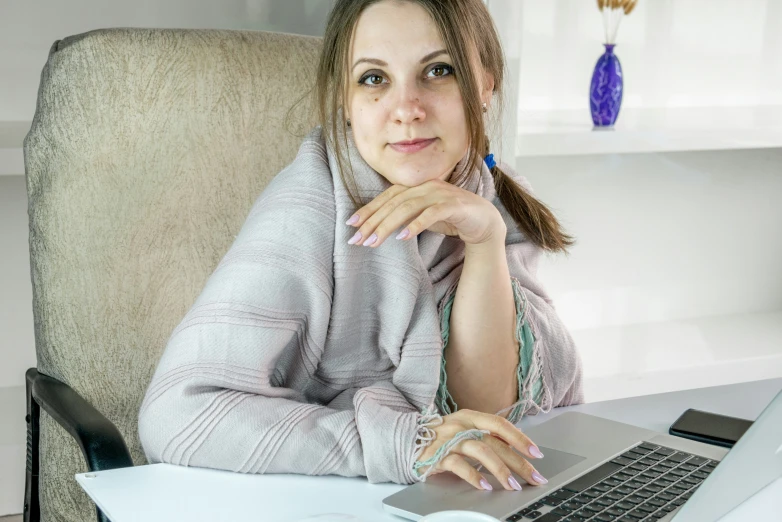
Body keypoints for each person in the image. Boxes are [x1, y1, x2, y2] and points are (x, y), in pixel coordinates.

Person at [138, 0, 584, 495]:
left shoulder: (492, 201)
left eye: (438, 71)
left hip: (448, 496)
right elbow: (176, 413)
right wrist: (403, 442)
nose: (406, 110)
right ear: (344, 100)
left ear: (485, 84)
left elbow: (486, 408)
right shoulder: (308, 206)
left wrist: (484, 241)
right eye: (374, 79)